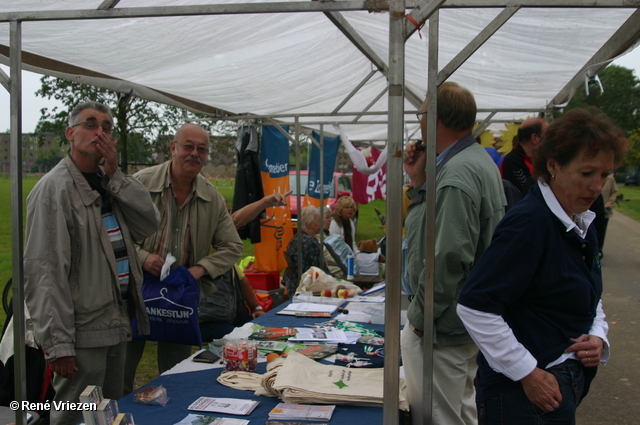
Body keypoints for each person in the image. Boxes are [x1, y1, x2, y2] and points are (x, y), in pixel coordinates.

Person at [457, 107, 628, 424]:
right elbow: (474, 306)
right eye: (587, 173)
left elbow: (590, 290)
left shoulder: (579, 218)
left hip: (557, 383)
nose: (596, 187)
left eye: (604, 175)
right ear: (553, 165)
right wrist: (526, 372)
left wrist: (597, 333)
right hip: (523, 397)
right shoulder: (530, 225)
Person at [23, 101, 160, 425]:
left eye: (107, 128)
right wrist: (58, 345)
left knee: (110, 414)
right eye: (90, 124)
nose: (100, 132)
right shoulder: (53, 190)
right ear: (70, 133)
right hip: (81, 335)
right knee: (73, 416)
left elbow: (149, 224)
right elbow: (44, 273)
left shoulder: (107, 183)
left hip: (116, 326)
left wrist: (117, 176)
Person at [401, 82, 506, 425]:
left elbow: (447, 258)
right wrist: (418, 181)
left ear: (434, 119)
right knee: (459, 412)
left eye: (421, 114)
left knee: (436, 417)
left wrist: (420, 319)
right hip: (459, 318)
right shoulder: (471, 161)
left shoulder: (456, 173)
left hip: (442, 324)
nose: (419, 122)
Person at [123, 123, 244, 395]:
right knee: (122, 367)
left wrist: (199, 270)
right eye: (188, 146)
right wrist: (142, 257)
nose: (194, 154)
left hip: (179, 297)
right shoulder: (140, 183)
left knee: (176, 372)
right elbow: (112, 233)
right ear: (172, 148)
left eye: (202, 149)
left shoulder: (211, 197)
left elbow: (233, 246)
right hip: (134, 290)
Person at [282, 206, 332, 296]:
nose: (321, 224)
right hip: (308, 289)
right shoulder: (310, 242)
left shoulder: (296, 238)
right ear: (308, 224)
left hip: (293, 285)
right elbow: (322, 273)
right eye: (318, 221)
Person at [500, 117, 549, 196]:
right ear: (535, 138)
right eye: (547, 136)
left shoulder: (539, 159)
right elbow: (528, 193)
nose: (550, 140)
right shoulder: (512, 162)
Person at [601, 173, 618, 256]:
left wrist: (609, 203)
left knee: (601, 231)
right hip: (592, 210)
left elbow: (614, 192)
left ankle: (599, 250)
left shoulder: (610, 179)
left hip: (604, 210)